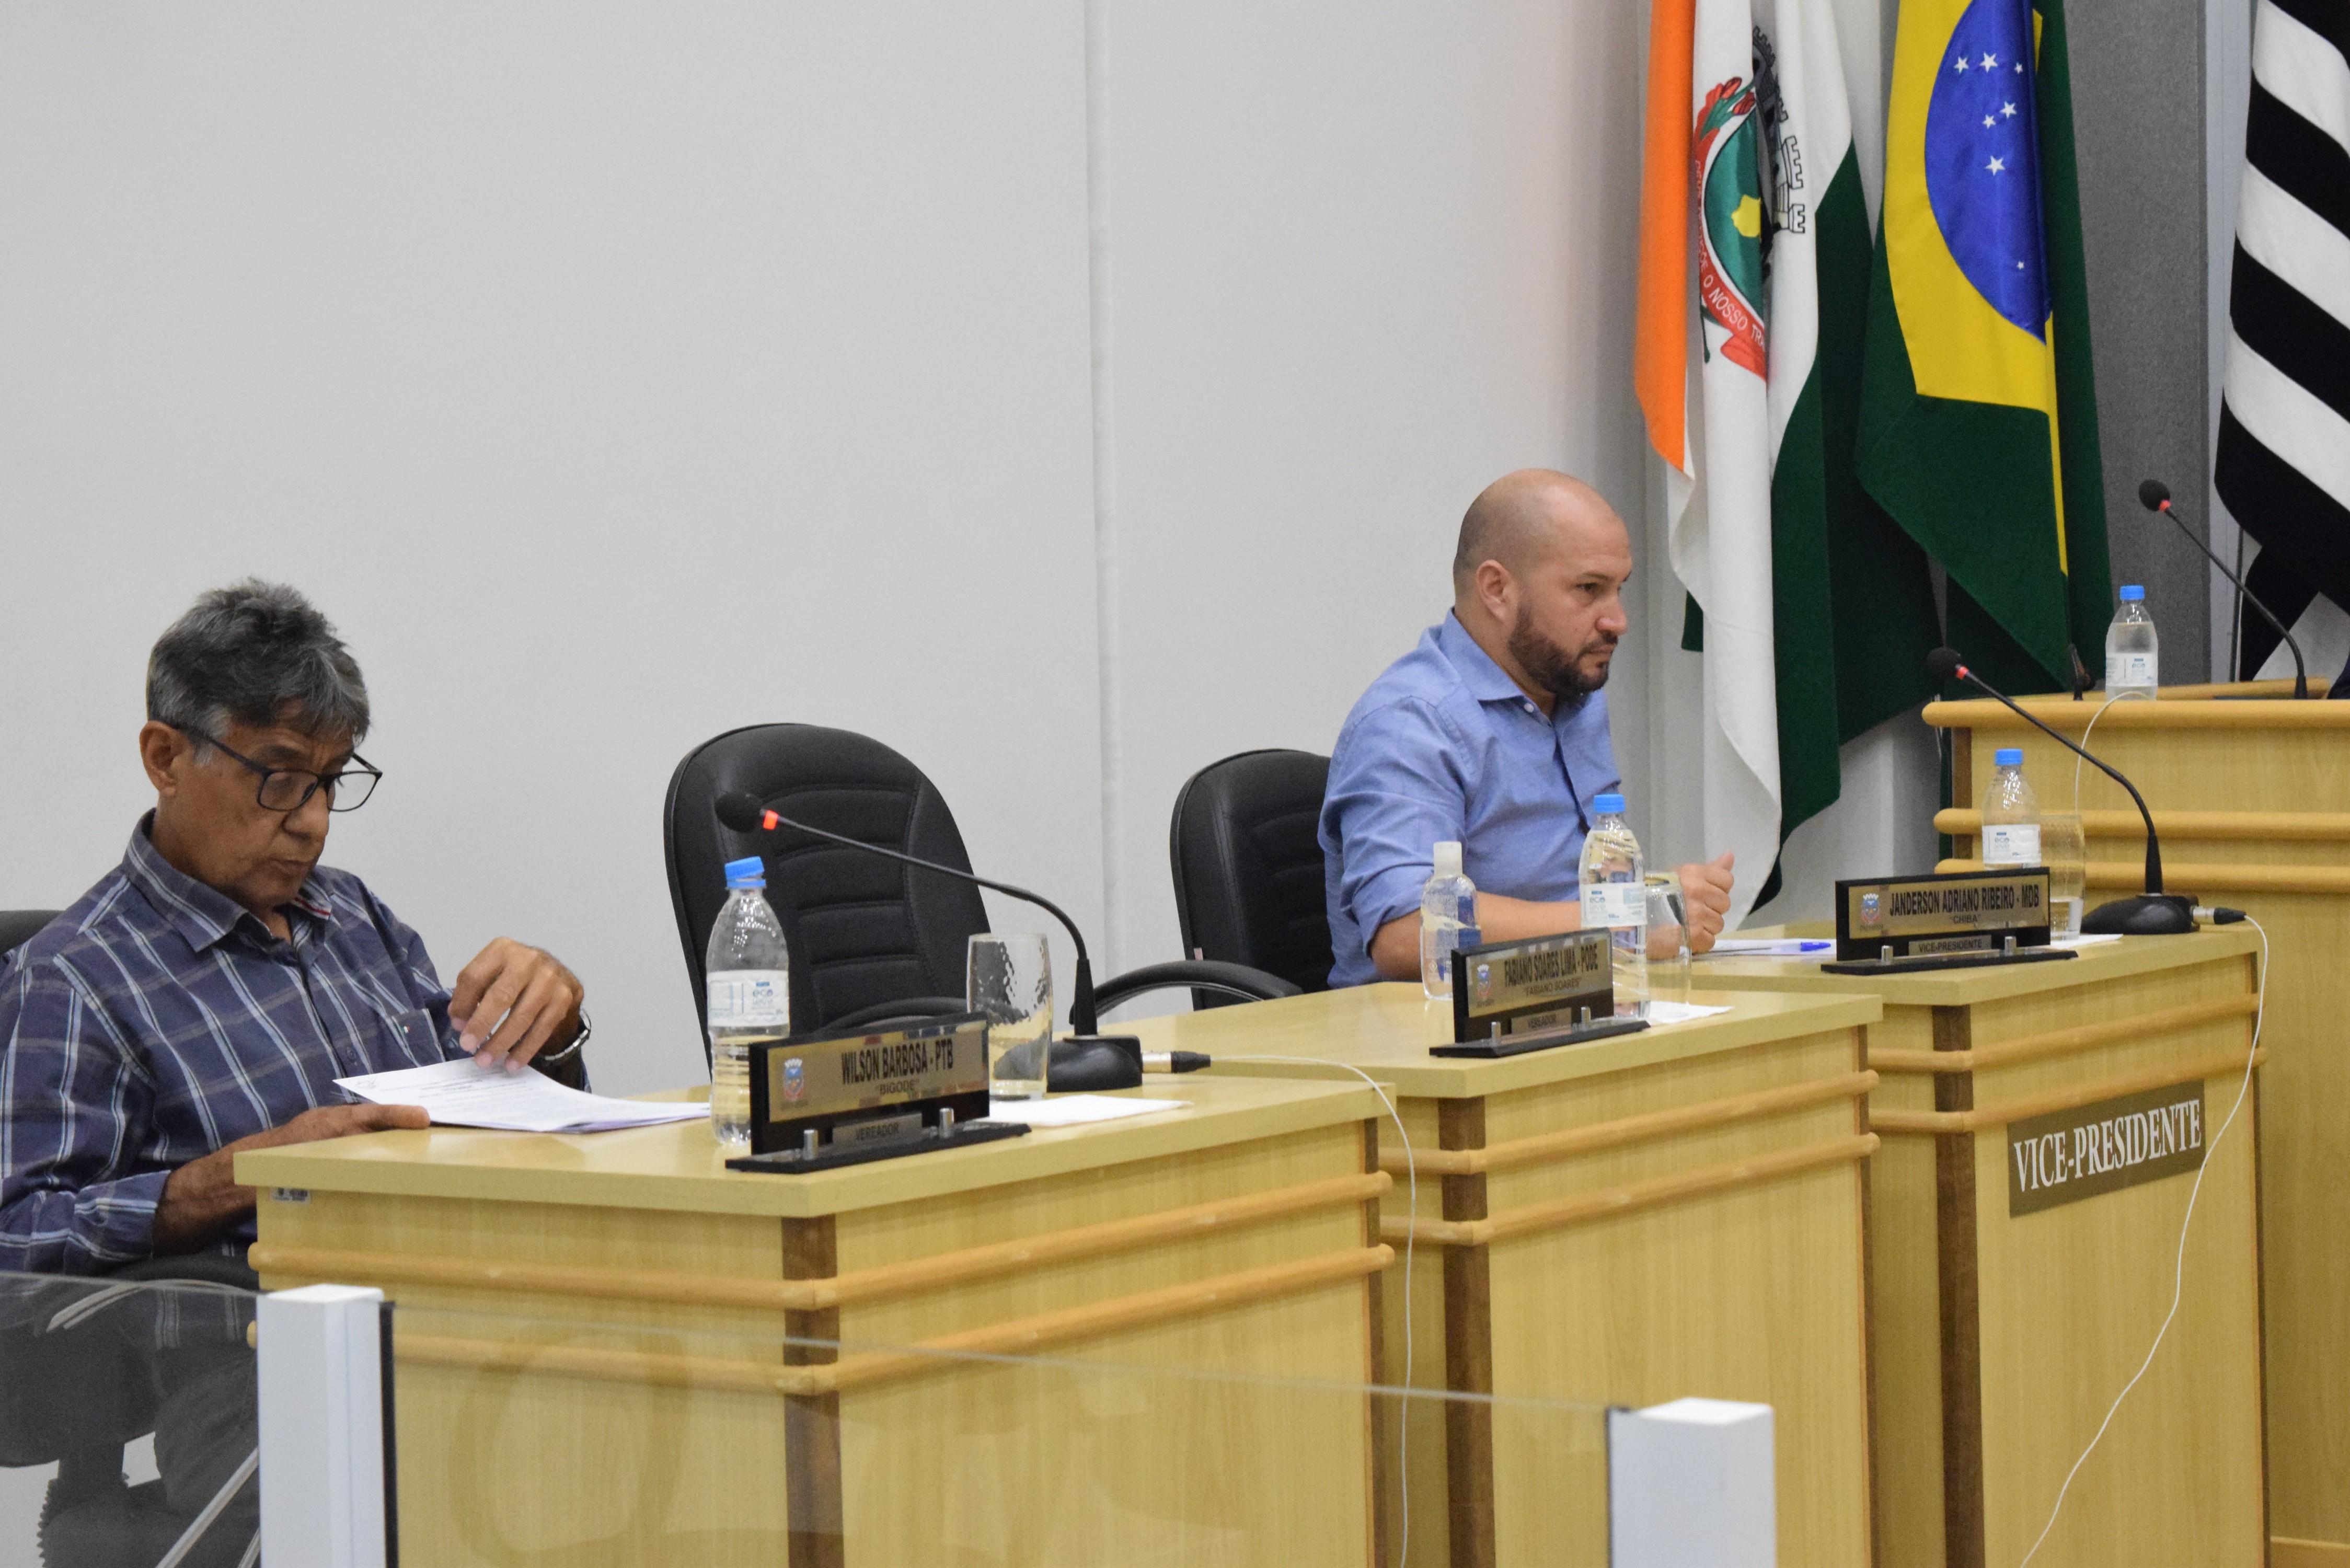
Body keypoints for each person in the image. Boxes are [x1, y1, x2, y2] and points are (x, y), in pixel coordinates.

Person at [0, 580, 591, 1276]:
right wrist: (237, 1178)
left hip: (452, 1289)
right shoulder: (71, 979)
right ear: (166, 759)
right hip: (250, 1332)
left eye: (330, 780)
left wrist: (546, 1035)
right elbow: (16, 1235)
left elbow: (483, 1127)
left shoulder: (356, 916)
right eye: (279, 779)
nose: (314, 822)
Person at [1321, 469, 1738, 986]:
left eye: (1618, 589)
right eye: (1589, 589)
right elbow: (1406, 932)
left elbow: (1575, 900)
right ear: (1497, 589)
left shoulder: (1572, 694)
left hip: (1578, 997)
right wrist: (1629, 918)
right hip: (1435, 1024)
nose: (1618, 620)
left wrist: (1648, 907)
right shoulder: (1411, 722)